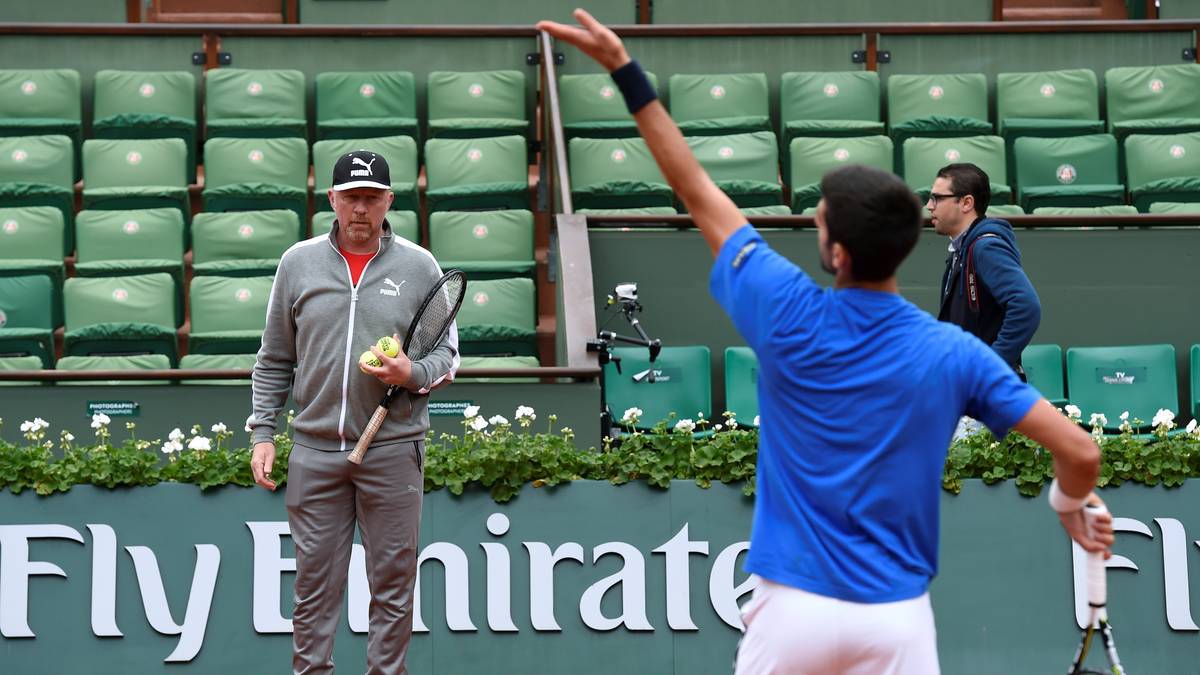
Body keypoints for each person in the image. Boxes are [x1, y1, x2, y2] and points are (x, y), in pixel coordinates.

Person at [537, 11, 1112, 674]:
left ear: (836, 251)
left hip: (791, 615)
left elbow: (695, 189)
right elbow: (1080, 451)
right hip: (895, 623)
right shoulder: (954, 353)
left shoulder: (786, 309)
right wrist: (1068, 502)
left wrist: (624, 70)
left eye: (818, 221)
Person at [247, 149, 459, 675]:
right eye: (350, 197)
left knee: (393, 588)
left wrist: (410, 374)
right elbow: (274, 358)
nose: (360, 208)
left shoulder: (420, 266)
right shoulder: (297, 263)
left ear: (388, 201)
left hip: (393, 449)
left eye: (370, 197)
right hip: (315, 452)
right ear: (332, 200)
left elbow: (447, 356)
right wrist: (263, 432)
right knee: (312, 591)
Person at [929, 163, 1041, 374]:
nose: (929, 205)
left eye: (937, 198)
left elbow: (1026, 307)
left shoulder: (985, 248)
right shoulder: (961, 250)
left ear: (966, 203)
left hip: (986, 386)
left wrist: (991, 365)